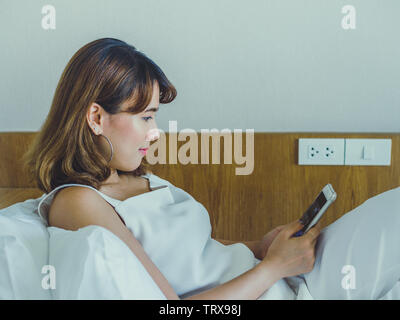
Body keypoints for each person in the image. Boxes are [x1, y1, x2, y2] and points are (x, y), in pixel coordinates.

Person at [26, 38, 400, 300]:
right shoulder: (79, 203)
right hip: (279, 288)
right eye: (145, 117)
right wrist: (271, 269)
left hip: (280, 277)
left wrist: (260, 247)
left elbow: (193, 255)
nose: (154, 133)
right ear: (96, 116)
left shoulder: (136, 177)